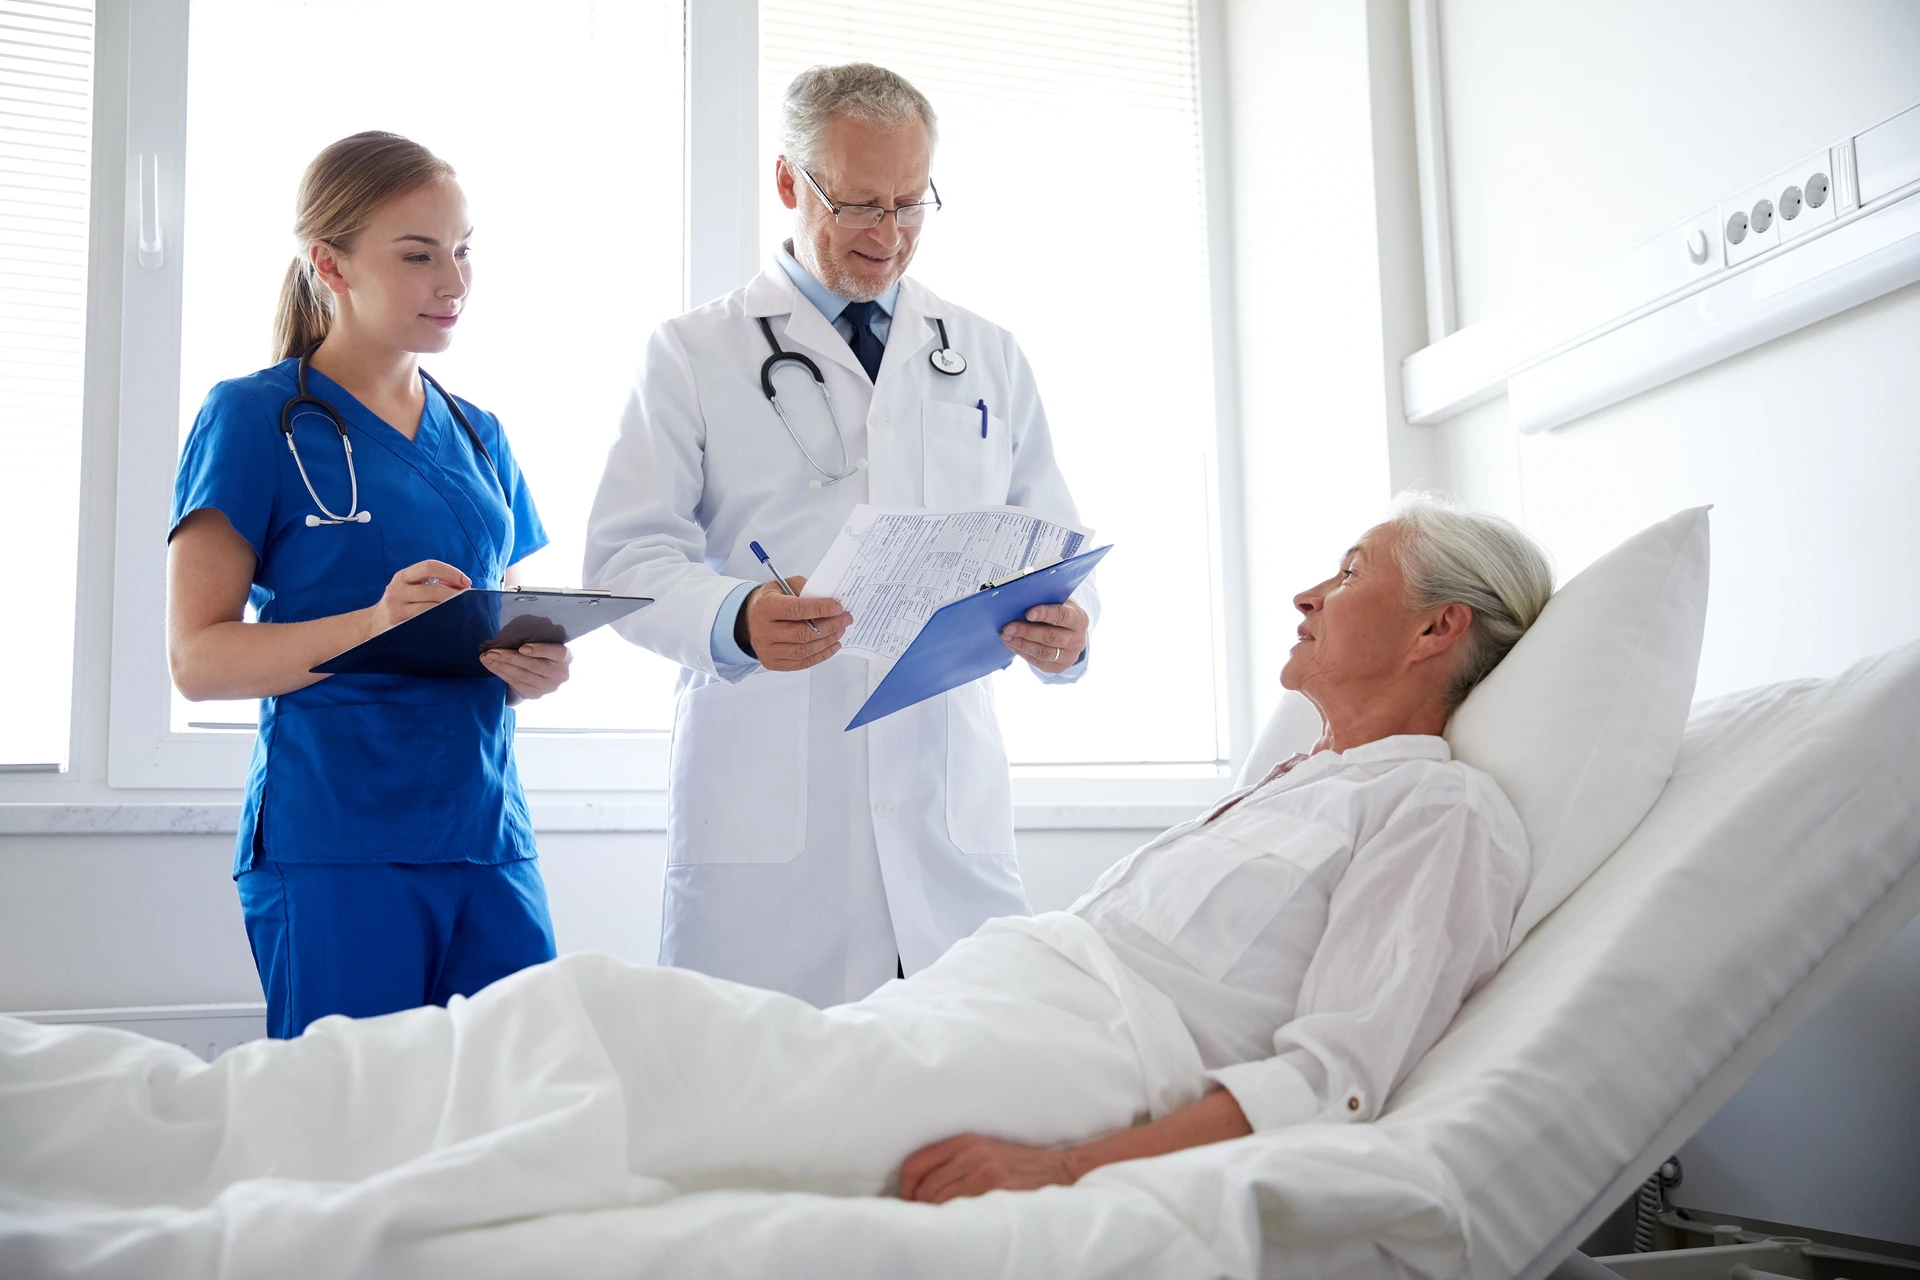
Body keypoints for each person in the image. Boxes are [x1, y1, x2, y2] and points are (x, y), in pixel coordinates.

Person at [8, 498, 1554, 1258]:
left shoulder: (1441, 812)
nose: (1309, 589)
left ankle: (206, 1203)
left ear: (1440, 630)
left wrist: (1071, 1170)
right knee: (589, 1025)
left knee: (604, 1037)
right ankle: (170, 1135)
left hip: (1069, 1060)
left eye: (1352, 572)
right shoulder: (1297, 779)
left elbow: (1336, 1077)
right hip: (986, 1000)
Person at [584, 63, 1096, 1005]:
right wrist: (736, 618)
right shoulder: (693, 353)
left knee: (966, 1069)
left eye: (910, 204)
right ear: (790, 181)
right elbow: (625, 560)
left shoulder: (984, 352)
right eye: (859, 204)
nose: (888, 235)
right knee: (761, 1085)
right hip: (773, 819)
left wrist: (1071, 626)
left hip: (947, 820)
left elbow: (1053, 539)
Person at [166, 132, 571, 1040]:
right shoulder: (253, 416)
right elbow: (198, 660)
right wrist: (376, 622)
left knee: (524, 1095)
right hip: (337, 840)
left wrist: (531, 668)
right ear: (330, 264)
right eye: (418, 255)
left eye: (463, 250)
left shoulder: (480, 435)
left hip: (486, 835)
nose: (453, 281)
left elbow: (498, 621)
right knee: (353, 1114)